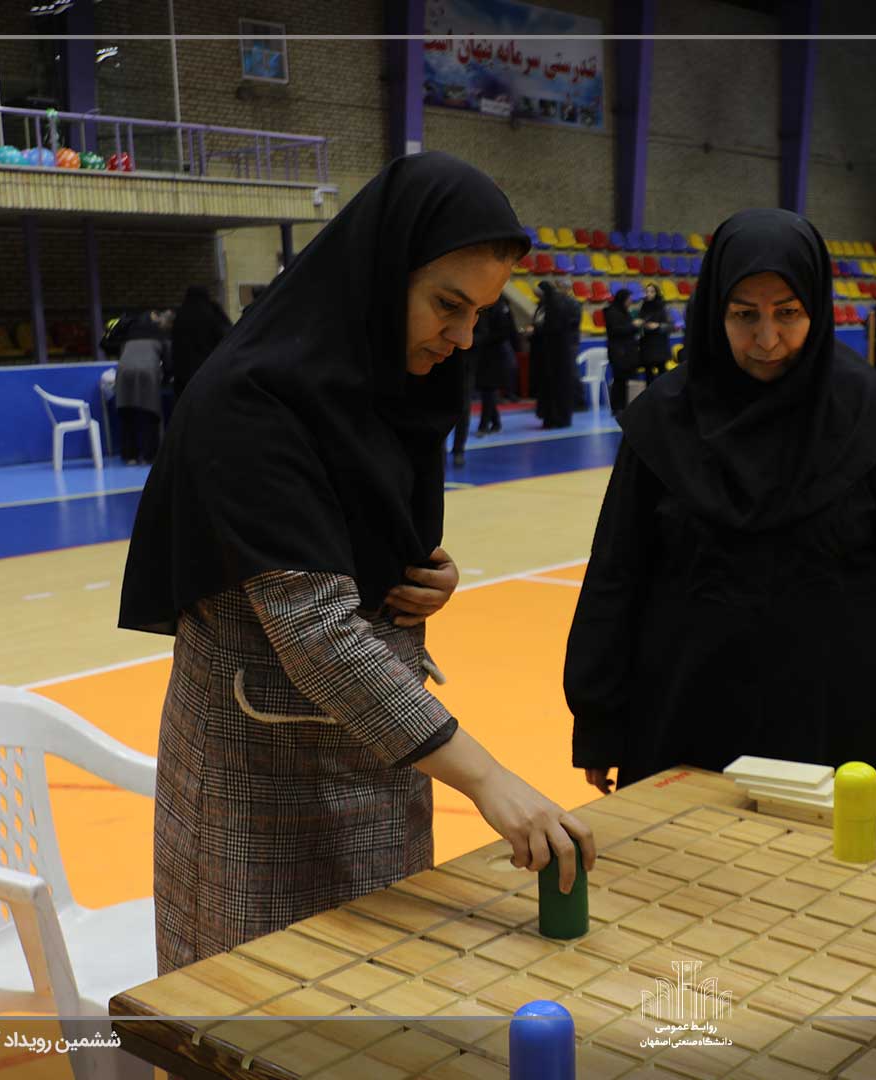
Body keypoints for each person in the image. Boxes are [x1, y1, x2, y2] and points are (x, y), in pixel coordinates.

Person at [117, 153, 596, 974]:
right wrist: (488, 779)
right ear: (380, 273)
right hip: (259, 780)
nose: (464, 337)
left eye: (480, 314)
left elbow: (349, 543)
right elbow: (317, 632)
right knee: (255, 1007)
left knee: (378, 993)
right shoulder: (252, 399)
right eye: (448, 305)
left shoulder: (386, 382)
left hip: (380, 753)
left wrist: (420, 574)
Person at [565, 208, 876, 813]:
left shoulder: (867, 414)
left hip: (840, 718)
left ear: (816, 308)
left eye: (787, 313)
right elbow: (616, 573)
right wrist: (598, 718)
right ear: (715, 312)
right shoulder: (663, 419)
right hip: (687, 714)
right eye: (744, 315)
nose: (766, 339)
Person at [110, 308, 172, 465]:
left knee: (127, 413)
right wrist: (166, 379)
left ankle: (129, 456)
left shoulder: (130, 335)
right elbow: (168, 362)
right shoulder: (161, 335)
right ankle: (149, 456)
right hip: (147, 372)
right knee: (150, 413)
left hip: (123, 372)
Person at [170, 285, 232, 402]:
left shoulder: (181, 315)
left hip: (183, 375)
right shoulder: (211, 313)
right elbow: (225, 337)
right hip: (208, 372)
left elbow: (174, 346)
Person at [530, 281, 579, 429]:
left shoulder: (557, 306)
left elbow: (554, 328)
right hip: (546, 354)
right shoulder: (544, 305)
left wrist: (538, 330)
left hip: (557, 354)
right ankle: (550, 416)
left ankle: (558, 418)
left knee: (558, 387)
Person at [470, 298, 519, 437]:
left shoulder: (499, 306)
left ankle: (484, 425)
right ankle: (495, 422)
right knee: (487, 389)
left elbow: (504, 332)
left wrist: (481, 339)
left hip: (495, 353)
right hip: (485, 353)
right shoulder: (486, 305)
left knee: (489, 389)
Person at [603, 288, 640, 415]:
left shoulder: (625, 312)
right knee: (619, 380)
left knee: (626, 380)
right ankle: (617, 407)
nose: (630, 302)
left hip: (628, 351)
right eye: (628, 299)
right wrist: (633, 326)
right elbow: (616, 331)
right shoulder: (612, 313)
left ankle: (625, 405)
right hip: (618, 352)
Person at [637, 282, 671, 381]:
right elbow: (640, 325)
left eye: (652, 292)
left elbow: (670, 326)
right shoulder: (643, 307)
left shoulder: (663, 307)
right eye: (647, 291)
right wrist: (643, 325)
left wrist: (658, 326)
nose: (649, 294)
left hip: (659, 344)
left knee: (662, 373)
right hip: (647, 344)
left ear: (656, 293)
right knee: (648, 374)